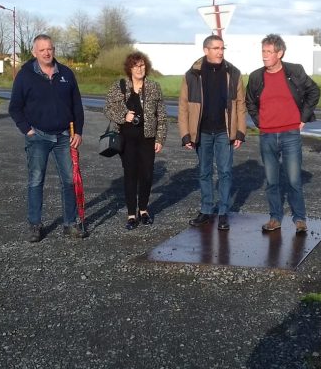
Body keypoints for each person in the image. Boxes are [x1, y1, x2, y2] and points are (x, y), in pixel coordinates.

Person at [9, 34, 86, 242]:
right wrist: (28, 130)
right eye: (42, 50)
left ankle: (70, 224)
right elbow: (14, 107)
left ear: (54, 50)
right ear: (34, 52)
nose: (46, 53)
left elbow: (77, 106)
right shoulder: (25, 76)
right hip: (38, 137)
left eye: (49, 48)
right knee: (36, 181)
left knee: (69, 181)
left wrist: (78, 131)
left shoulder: (66, 74)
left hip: (64, 137)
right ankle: (35, 225)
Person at [245, 34, 320, 235]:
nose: (264, 56)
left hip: (290, 134)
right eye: (263, 51)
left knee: (294, 179)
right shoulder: (255, 77)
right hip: (267, 135)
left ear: (280, 53)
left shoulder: (295, 71)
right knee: (271, 180)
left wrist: (303, 118)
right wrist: (259, 122)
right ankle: (275, 218)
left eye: (269, 52)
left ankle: (300, 219)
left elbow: (314, 92)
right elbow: (250, 101)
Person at [178, 34, 247, 231]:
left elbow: (240, 104)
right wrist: (186, 134)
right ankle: (206, 210)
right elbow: (183, 106)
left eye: (222, 48)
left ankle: (223, 212)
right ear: (206, 50)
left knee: (225, 172)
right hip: (202, 132)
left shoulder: (233, 73)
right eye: (216, 48)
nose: (220, 52)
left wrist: (240, 132)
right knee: (204, 172)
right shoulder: (192, 74)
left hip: (225, 132)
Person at [103, 51, 167, 230]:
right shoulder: (120, 86)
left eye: (142, 65)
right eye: (136, 65)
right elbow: (107, 109)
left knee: (146, 174)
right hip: (126, 139)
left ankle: (144, 210)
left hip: (148, 138)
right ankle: (131, 214)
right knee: (130, 175)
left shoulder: (153, 87)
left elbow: (161, 115)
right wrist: (125, 115)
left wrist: (160, 138)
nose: (140, 69)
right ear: (129, 68)